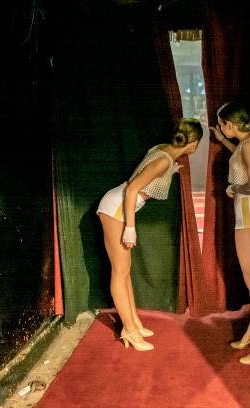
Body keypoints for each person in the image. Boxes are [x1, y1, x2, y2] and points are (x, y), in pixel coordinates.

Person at [96, 118, 202, 351]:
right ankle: (129, 330)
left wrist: (171, 170)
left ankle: (133, 322)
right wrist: (130, 229)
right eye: (197, 145)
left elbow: (150, 170)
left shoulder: (161, 152)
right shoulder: (164, 159)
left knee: (125, 272)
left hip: (119, 205)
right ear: (192, 143)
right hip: (117, 209)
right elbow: (134, 187)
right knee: (120, 271)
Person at [210, 102, 250, 365]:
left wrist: (234, 190)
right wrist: (224, 141)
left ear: (230, 124)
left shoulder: (248, 145)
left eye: (222, 123)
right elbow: (240, 156)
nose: (222, 128)